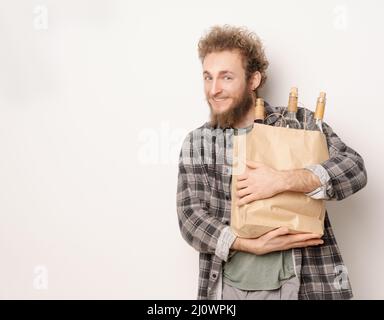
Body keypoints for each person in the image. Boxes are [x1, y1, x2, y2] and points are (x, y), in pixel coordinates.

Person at [176, 25, 367, 300]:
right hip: (227, 289)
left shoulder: (299, 123)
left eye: (226, 77)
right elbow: (190, 218)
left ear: (253, 80)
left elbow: (354, 169)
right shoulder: (198, 143)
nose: (214, 89)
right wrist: (248, 244)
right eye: (208, 77)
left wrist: (282, 180)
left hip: (306, 282)